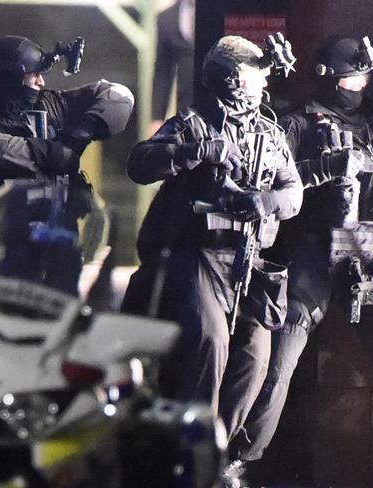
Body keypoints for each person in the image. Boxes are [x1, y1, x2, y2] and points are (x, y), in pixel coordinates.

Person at [228, 35, 373, 482]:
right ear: (332, 79)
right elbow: (275, 184)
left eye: (364, 77)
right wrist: (325, 177)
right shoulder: (298, 124)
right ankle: (240, 459)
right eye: (354, 77)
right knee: (278, 361)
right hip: (316, 252)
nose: (362, 84)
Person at [120, 35, 303, 485]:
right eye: (254, 72)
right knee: (210, 344)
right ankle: (189, 456)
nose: (263, 81)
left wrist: (266, 202)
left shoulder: (270, 131)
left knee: (255, 357)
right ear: (233, 78)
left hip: (249, 260)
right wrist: (193, 153)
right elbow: (140, 164)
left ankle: (219, 455)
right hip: (199, 256)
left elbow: (293, 192)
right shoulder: (194, 124)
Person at [0, 35, 135, 227]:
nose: (41, 83)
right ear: (12, 79)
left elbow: (119, 95)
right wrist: (49, 152)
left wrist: (82, 132)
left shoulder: (51, 105)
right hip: (1, 239)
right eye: (34, 75)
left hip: (58, 236)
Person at [150, 0, 195, 135]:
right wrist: (157, 118)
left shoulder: (225, 10)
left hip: (223, 107)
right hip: (186, 111)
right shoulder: (167, 17)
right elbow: (163, 72)